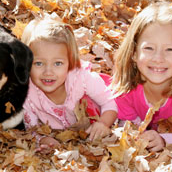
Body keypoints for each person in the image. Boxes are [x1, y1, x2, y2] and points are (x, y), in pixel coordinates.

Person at [108, 2, 172, 152]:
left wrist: (165, 140)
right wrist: (141, 138)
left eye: (169, 49)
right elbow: (128, 127)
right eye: (149, 48)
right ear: (134, 53)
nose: (158, 58)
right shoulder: (126, 85)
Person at [20, 18, 118, 151]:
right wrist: (42, 139)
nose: (48, 72)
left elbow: (110, 102)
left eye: (58, 63)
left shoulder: (81, 79)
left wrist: (103, 123)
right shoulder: (28, 94)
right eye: (38, 63)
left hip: (96, 120)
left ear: (69, 62)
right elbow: (31, 128)